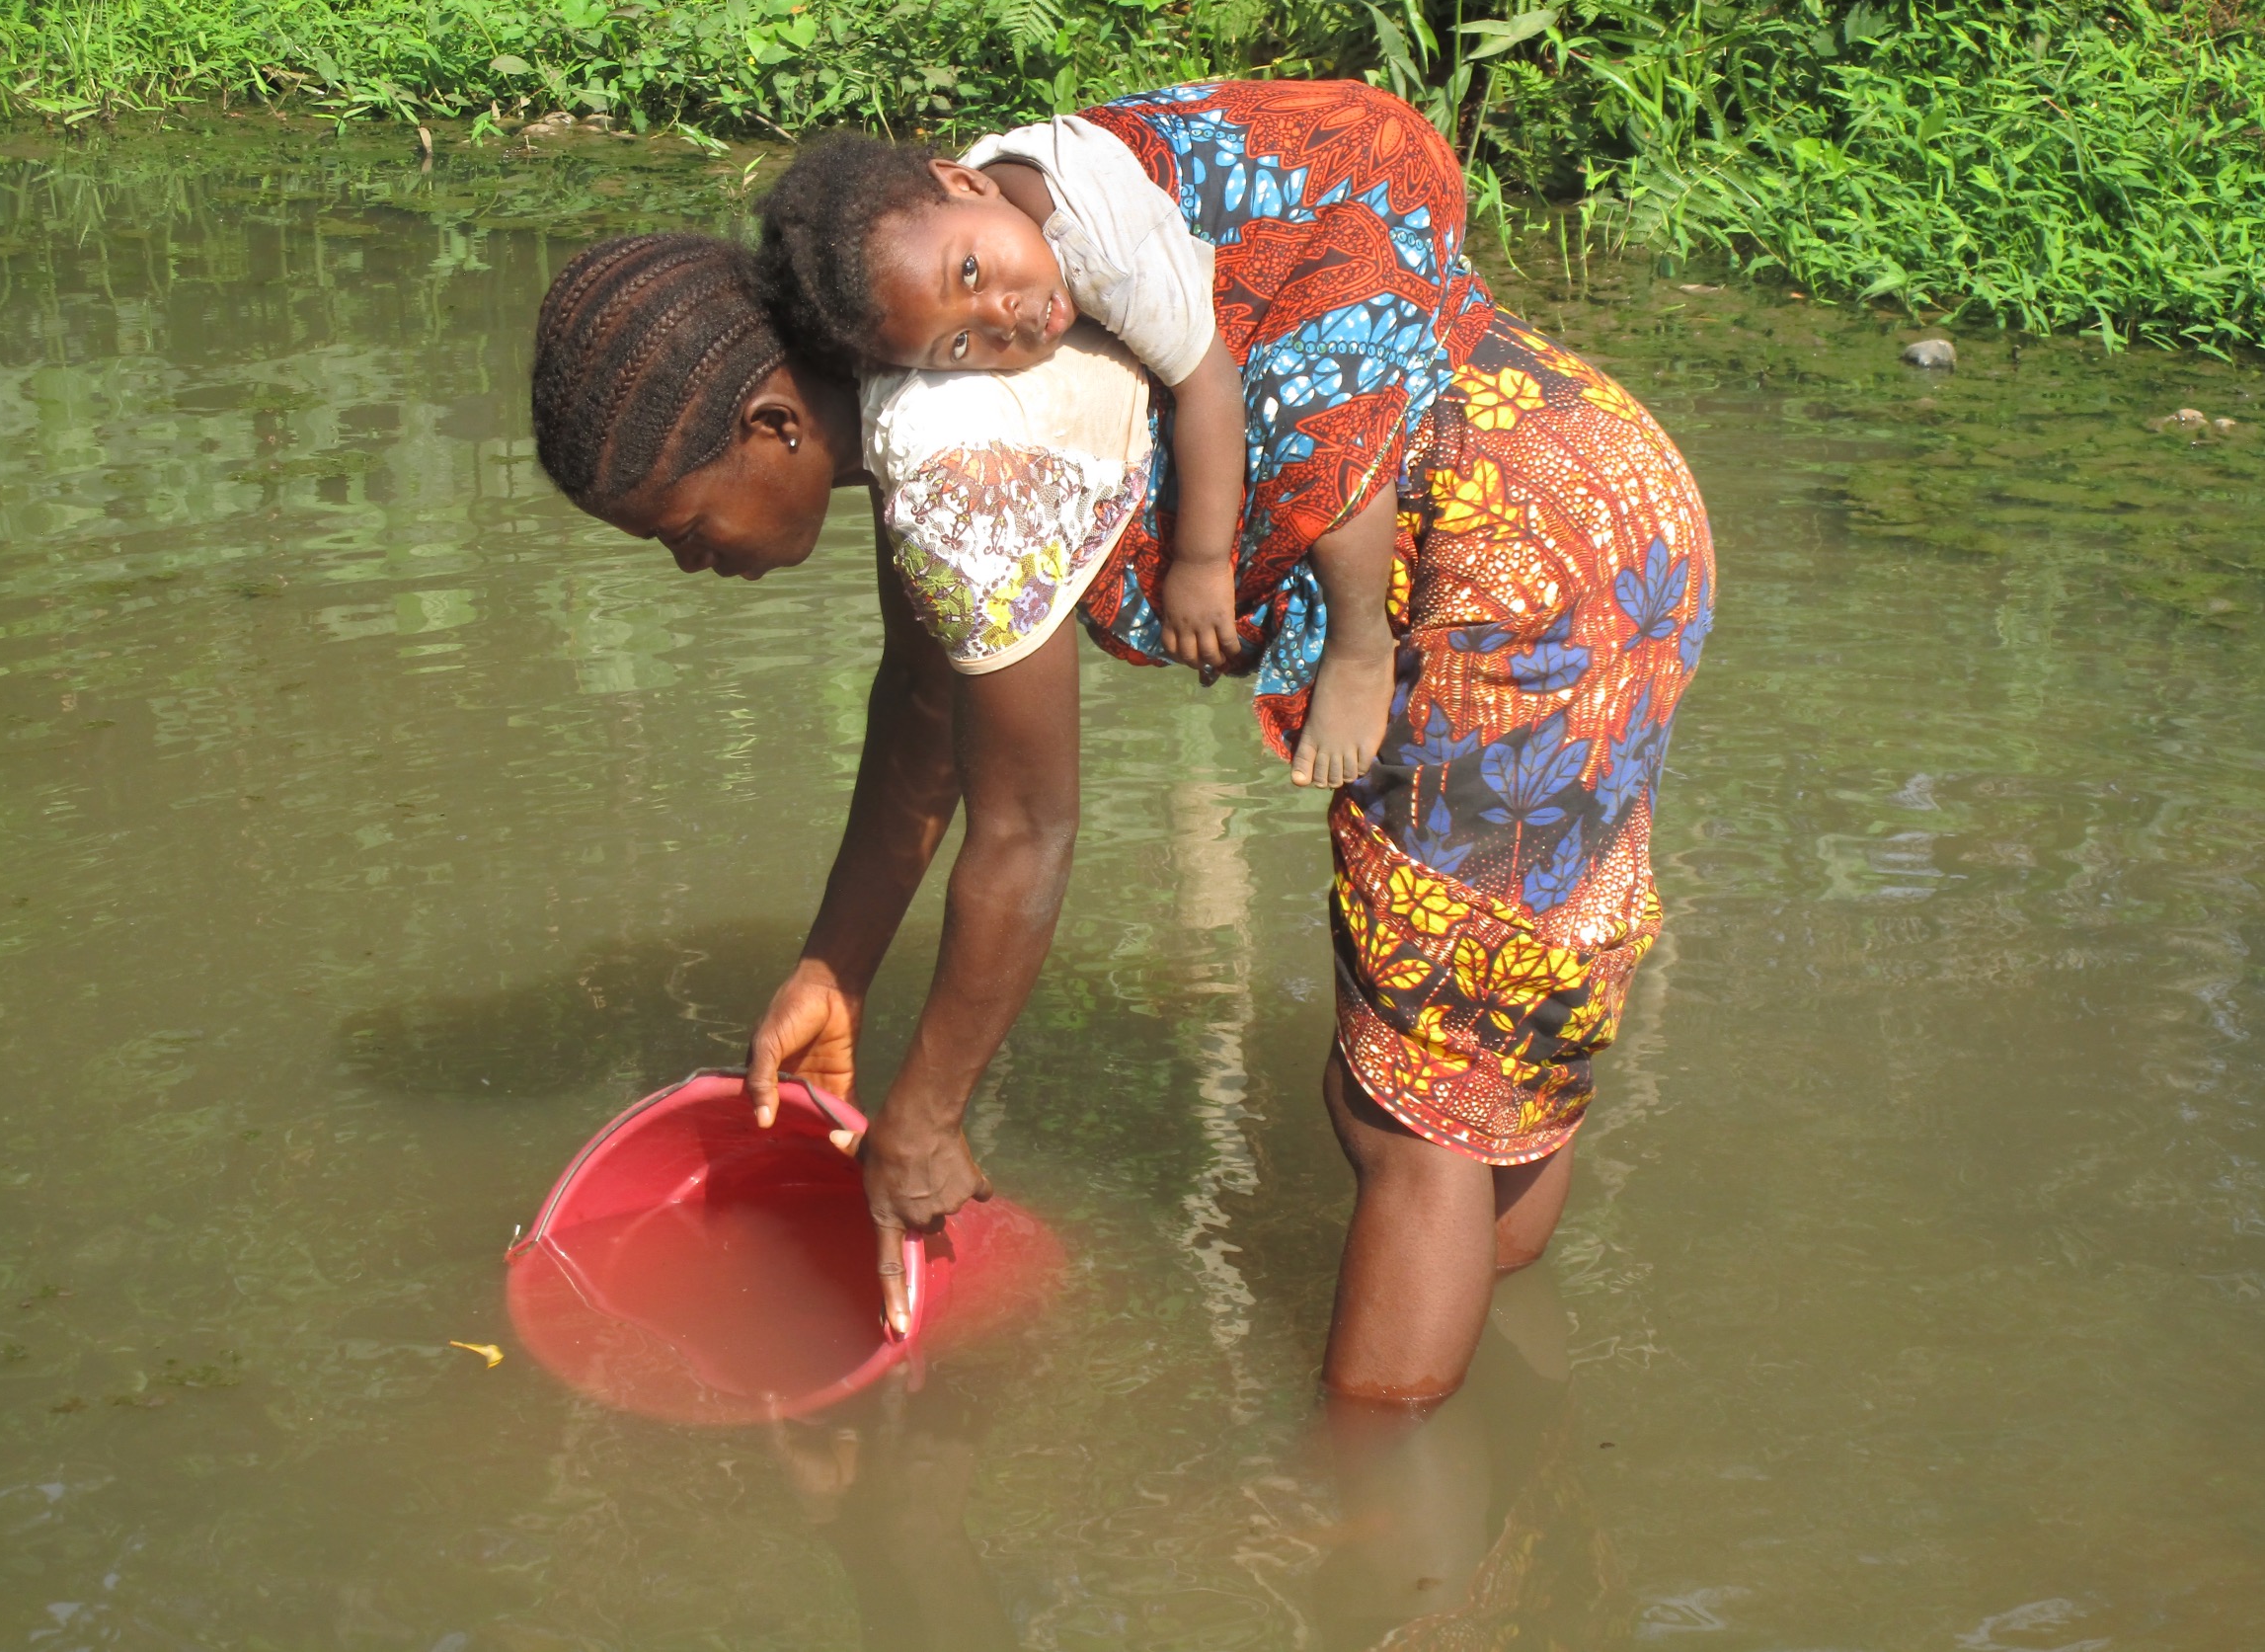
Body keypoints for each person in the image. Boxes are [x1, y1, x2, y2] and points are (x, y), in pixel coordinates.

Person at [526, 79, 1714, 1405]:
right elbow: (924, 713)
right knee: (1464, 1054)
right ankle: (1484, 1423)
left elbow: (1028, 833)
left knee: (1405, 1117)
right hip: (1576, 472)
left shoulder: (960, 467)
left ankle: (1384, 1536)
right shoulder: (919, 361)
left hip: (1513, 566)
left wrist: (921, 1120)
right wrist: (833, 971)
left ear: (773, 430)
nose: (695, 562)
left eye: (685, 526)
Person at [753, 110, 1399, 789]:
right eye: (961, 346)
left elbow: (1208, 384)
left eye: (971, 272)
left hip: (1351, 181)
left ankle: (1361, 642)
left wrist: (1200, 563)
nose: (1002, 316)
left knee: (1300, 398)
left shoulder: (1103, 255)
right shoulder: (948, 221)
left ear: (963, 181)